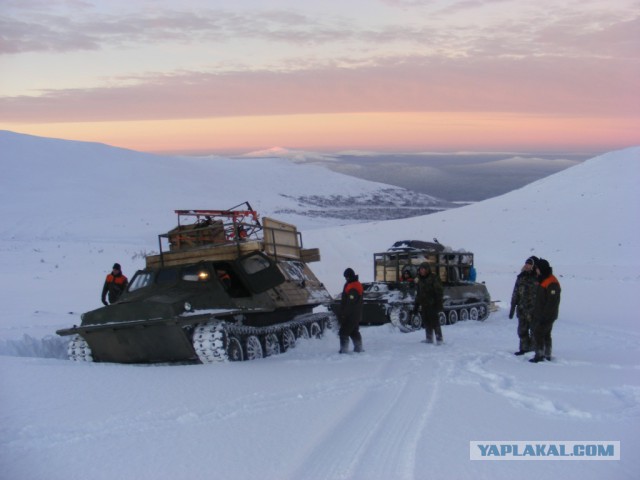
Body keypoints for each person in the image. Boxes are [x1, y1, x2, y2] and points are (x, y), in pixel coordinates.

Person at [530, 258, 561, 363]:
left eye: (537, 268)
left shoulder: (551, 282)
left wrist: (545, 316)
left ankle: (540, 355)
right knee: (545, 334)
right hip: (541, 313)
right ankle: (546, 354)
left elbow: (552, 303)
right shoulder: (543, 279)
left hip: (547, 315)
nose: (536, 270)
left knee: (539, 333)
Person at [509, 256, 539, 355]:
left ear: (533, 266)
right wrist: (513, 307)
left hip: (534, 309)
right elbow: (515, 292)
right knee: (522, 330)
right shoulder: (520, 277)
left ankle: (535, 349)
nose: (527, 266)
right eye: (526, 264)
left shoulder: (538, 277)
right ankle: (524, 348)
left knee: (534, 331)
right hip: (522, 309)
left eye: (529, 264)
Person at [412, 262, 444, 345]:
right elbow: (418, 293)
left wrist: (439, 305)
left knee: (435, 322)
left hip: (432, 304)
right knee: (426, 321)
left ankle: (439, 339)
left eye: (423, 269)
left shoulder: (433, 278)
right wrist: (416, 306)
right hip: (424, 304)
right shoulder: (419, 279)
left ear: (427, 270)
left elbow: (439, 292)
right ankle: (429, 338)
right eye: (421, 269)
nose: (422, 271)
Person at [339, 268, 364, 353]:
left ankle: (344, 350)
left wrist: (344, 314)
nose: (345, 278)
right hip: (355, 314)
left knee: (343, 332)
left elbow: (350, 304)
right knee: (354, 332)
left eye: (346, 277)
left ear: (349, 276)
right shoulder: (352, 283)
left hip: (351, 315)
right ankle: (359, 348)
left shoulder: (353, 286)